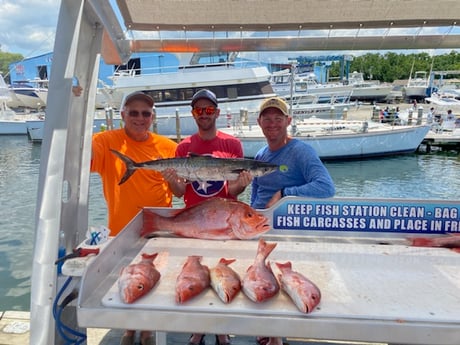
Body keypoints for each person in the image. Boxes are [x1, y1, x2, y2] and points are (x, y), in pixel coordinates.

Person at [163, 89, 251, 345]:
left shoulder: (232, 144)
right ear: (193, 114)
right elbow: (180, 192)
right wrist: (170, 182)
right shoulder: (184, 147)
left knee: (221, 274)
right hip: (193, 222)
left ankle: (221, 331)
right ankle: (198, 329)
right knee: (196, 275)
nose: (203, 114)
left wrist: (242, 185)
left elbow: (231, 192)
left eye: (208, 109)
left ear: (217, 112)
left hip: (224, 223)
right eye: (198, 110)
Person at [91, 91, 178, 345]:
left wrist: (176, 182)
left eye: (146, 113)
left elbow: (178, 190)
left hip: (160, 230)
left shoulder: (169, 147)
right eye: (134, 113)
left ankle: (148, 330)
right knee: (127, 280)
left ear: (152, 117)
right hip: (121, 230)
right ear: (123, 115)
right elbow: (82, 157)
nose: (140, 118)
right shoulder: (105, 141)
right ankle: (129, 330)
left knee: (153, 280)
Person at [250, 97, 335, 345]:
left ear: (288, 121)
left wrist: (285, 194)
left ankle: (276, 336)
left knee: (281, 279)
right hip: (259, 228)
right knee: (261, 279)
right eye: (267, 118)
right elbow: (256, 191)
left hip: (287, 228)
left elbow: (326, 188)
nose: (272, 123)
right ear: (259, 122)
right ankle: (267, 329)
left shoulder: (301, 151)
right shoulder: (260, 153)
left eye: (278, 118)